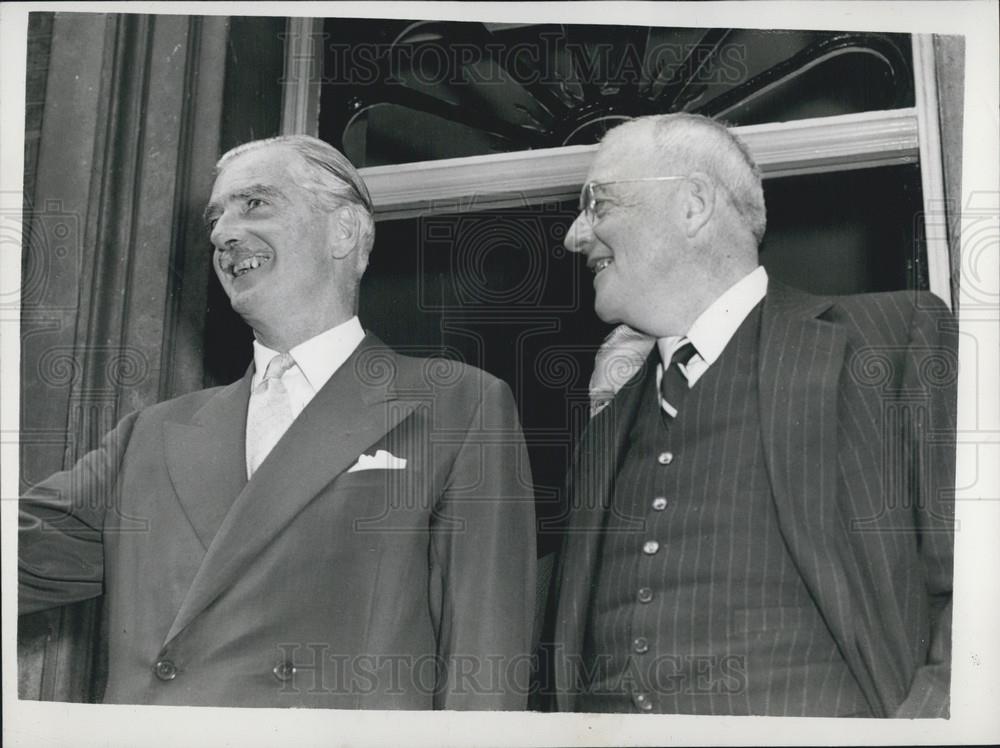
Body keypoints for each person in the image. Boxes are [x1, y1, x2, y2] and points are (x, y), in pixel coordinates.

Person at [19, 135, 536, 709]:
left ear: (344, 231)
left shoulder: (459, 406)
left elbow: (486, 666)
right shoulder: (151, 436)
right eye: (216, 217)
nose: (222, 233)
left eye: (255, 204)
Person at [543, 113, 956, 717]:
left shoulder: (893, 342)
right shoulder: (604, 432)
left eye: (598, 204)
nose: (575, 235)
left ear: (692, 206)